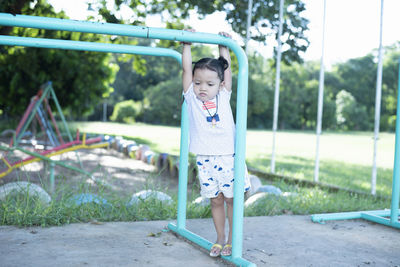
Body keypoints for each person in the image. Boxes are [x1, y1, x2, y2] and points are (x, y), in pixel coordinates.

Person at [182, 29, 251, 257]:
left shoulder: (223, 96)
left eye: (209, 84)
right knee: (215, 200)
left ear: (220, 84)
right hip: (205, 159)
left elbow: (227, 69)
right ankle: (220, 237)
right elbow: (185, 69)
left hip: (228, 157)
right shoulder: (191, 97)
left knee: (232, 199)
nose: (203, 87)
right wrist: (187, 45)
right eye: (199, 82)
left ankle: (232, 238)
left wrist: (223, 45)